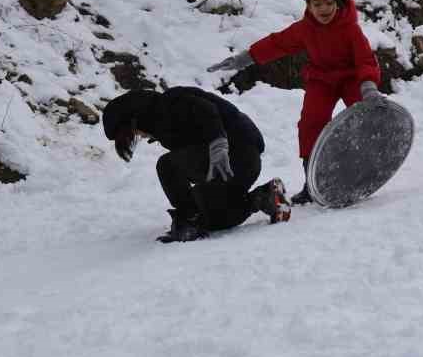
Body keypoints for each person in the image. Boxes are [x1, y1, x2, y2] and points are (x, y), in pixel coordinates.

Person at [208, 0, 381, 204]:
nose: (323, 8)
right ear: (308, 5)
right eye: (317, 3)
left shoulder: (351, 30)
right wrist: (244, 58)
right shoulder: (305, 29)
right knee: (311, 123)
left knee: (365, 115)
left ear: (337, 3)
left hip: (352, 78)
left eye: (329, 2)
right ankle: (312, 182)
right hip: (322, 79)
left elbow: (365, 60)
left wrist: (368, 86)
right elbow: (277, 43)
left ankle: (365, 168)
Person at [102, 86, 290, 243]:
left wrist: (218, 145)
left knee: (167, 165)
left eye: (134, 132)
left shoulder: (170, 104)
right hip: (238, 163)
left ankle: (189, 221)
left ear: (133, 120)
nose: (140, 136)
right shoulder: (162, 118)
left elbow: (207, 110)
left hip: (235, 154)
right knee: (209, 217)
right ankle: (264, 197)